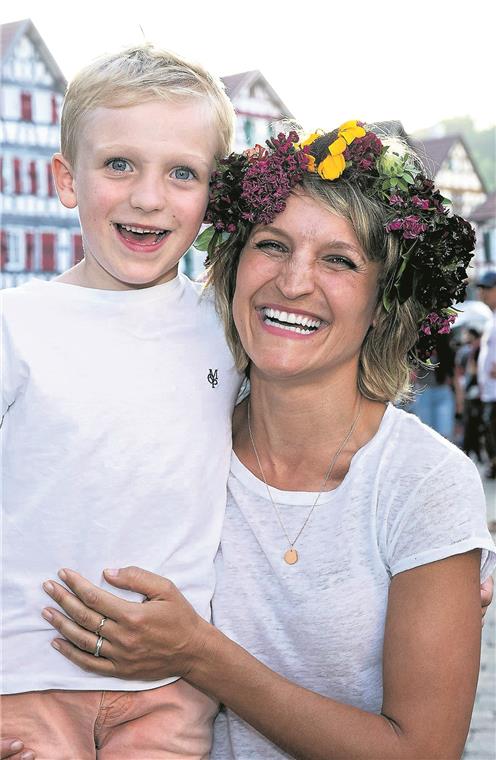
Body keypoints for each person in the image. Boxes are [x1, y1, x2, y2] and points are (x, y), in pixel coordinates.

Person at [38, 123, 496, 759]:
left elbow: (423, 753)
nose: (294, 281)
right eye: (272, 245)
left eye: (339, 260)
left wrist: (199, 653)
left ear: (384, 303)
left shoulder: (421, 481)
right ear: (231, 265)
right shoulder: (173, 438)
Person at [0, 43, 242, 758]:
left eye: (182, 173)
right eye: (119, 165)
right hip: (22, 678)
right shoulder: (17, 325)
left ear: (212, 195)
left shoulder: (229, 329)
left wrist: (422, 557)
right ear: (68, 180)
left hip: (171, 687)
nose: (148, 196)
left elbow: (306, 451)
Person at [477, 270, 496, 479]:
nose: (483, 293)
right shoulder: (491, 318)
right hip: (490, 392)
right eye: (481, 289)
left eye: (488, 289)